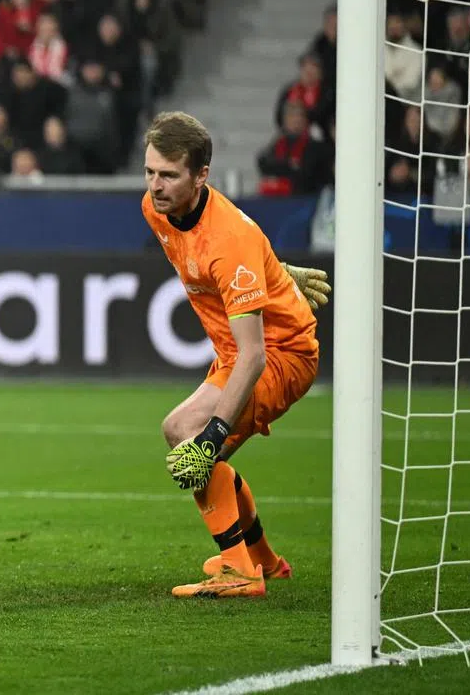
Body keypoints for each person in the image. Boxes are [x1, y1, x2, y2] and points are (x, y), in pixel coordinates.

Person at [140, 111, 330, 598]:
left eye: (169, 175)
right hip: (234, 350)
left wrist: (214, 433)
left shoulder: (230, 241)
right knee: (201, 451)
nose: (156, 186)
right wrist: (273, 268)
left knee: (186, 434)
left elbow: (255, 356)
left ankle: (238, 572)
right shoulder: (155, 208)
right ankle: (263, 560)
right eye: (150, 172)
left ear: (201, 176)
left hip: (279, 354)